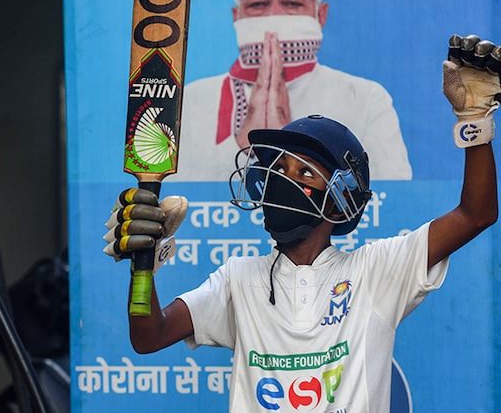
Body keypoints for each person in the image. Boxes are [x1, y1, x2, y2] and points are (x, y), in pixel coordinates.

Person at [102, 36, 499, 411]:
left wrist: (474, 120)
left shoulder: (375, 272)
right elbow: (149, 336)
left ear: (341, 198)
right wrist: (143, 269)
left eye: (305, 173)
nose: (285, 181)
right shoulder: (239, 279)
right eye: (278, 169)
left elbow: (475, 214)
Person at [176, 0, 412, 181]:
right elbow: (179, 196)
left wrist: (291, 153)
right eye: (258, 4)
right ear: (237, 16)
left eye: (292, 4)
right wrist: (246, 147)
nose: (274, 16)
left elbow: (388, 196)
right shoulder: (191, 101)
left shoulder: (365, 99)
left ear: (320, 15)